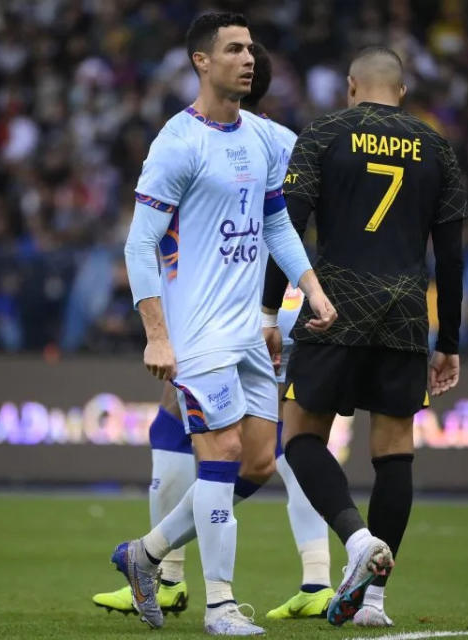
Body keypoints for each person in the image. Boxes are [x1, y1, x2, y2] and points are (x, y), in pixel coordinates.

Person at [91, 42, 335, 623]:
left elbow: (276, 221)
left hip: (251, 330)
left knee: (257, 464)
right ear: (202, 61)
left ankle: (145, 554)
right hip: (197, 333)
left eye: (251, 49)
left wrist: (310, 287)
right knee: (221, 453)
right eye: (233, 48)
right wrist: (156, 333)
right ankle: (220, 605)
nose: (247, 57)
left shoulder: (262, 139)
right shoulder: (178, 143)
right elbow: (139, 242)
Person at [262, 46, 466, 627]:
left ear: (351, 86)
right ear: (401, 91)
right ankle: (373, 603)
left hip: (336, 305)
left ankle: (355, 543)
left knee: (300, 436)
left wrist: (267, 307)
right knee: (394, 450)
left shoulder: (325, 132)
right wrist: (448, 338)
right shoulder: (438, 149)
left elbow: (287, 223)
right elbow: (450, 258)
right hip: (405, 315)